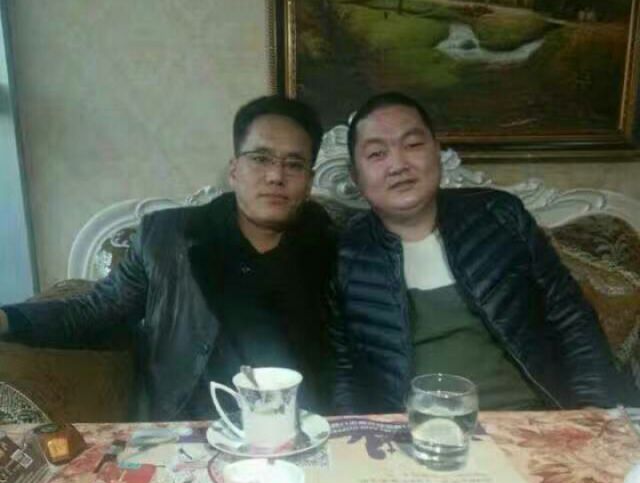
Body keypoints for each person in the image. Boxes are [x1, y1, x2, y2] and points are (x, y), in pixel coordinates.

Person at [0, 95, 335, 419]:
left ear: (308, 182)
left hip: (306, 427)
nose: (276, 176)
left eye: (294, 164)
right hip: (191, 427)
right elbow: (95, 310)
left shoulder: (334, 247)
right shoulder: (167, 238)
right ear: (234, 171)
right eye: (260, 158)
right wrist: (7, 319)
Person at [330, 91, 628, 414]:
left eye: (413, 144)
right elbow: (342, 370)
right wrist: (359, 432)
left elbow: (571, 318)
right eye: (377, 154)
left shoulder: (499, 216)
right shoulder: (344, 254)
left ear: (437, 151)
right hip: (415, 430)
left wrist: (591, 410)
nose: (398, 165)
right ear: (355, 177)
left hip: (527, 418)